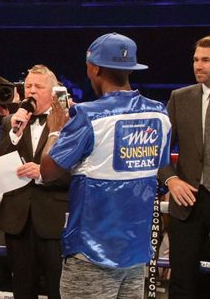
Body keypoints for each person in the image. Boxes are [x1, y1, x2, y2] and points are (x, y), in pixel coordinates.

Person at [40, 32, 171, 299]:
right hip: (135, 252)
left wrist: (55, 131)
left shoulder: (88, 116)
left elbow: (49, 171)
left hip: (91, 251)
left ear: (94, 68)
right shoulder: (159, 113)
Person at [0, 64, 69, 299]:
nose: (31, 91)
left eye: (38, 86)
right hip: (18, 219)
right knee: (22, 289)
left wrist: (42, 172)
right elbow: (2, 163)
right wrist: (15, 131)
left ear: (54, 91)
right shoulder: (10, 122)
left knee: (58, 289)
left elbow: (75, 170)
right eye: (28, 86)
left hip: (53, 219)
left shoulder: (69, 123)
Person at [157, 34, 210, 298]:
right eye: (195, 59)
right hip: (186, 202)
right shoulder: (180, 98)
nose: (198, 65)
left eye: (206, 60)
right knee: (181, 283)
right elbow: (158, 149)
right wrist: (171, 180)